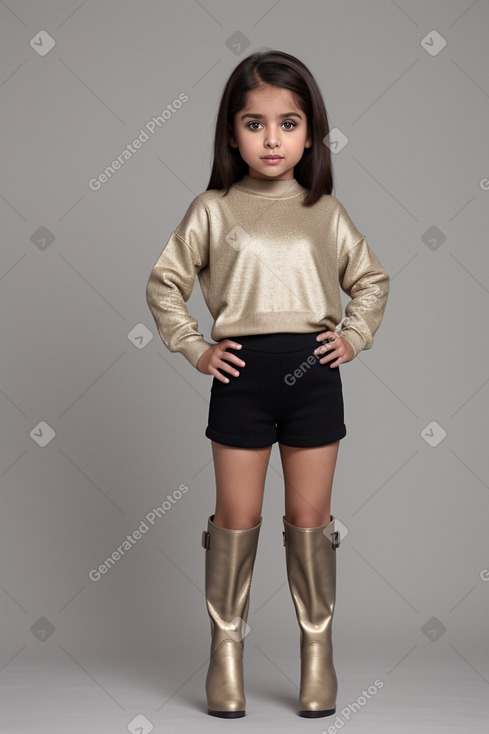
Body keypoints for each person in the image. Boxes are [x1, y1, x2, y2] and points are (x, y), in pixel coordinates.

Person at [145, 49, 389, 720]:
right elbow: (166, 283)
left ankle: (318, 656)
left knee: (308, 521)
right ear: (231, 132)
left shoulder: (324, 210)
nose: (272, 138)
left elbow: (369, 280)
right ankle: (226, 655)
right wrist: (195, 347)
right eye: (255, 123)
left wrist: (354, 335)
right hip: (242, 381)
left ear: (310, 133)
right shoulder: (213, 209)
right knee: (236, 519)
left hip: (313, 379)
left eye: (288, 123)